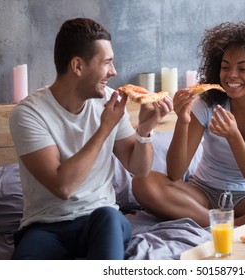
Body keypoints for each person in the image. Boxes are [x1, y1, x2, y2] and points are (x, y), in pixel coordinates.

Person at [9, 18, 172, 259]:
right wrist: (105, 128)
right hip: (45, 226)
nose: (114, 72)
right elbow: (62, 187)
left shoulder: (110, 100)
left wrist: (145, 131)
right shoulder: (29, 113)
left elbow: (138, 169)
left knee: (107, 216)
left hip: (101, 219)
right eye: (107, 62)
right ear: (77, 66)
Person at [132, 21, 245, 227]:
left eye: (243, 68)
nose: (232, 75)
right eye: (225, 66)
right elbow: (175, 173)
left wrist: (234, 137)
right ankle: (233, 225)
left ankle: (224, 223)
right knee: (142, 182)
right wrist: (183, 121)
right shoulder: (207, 103)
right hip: (201, 192)